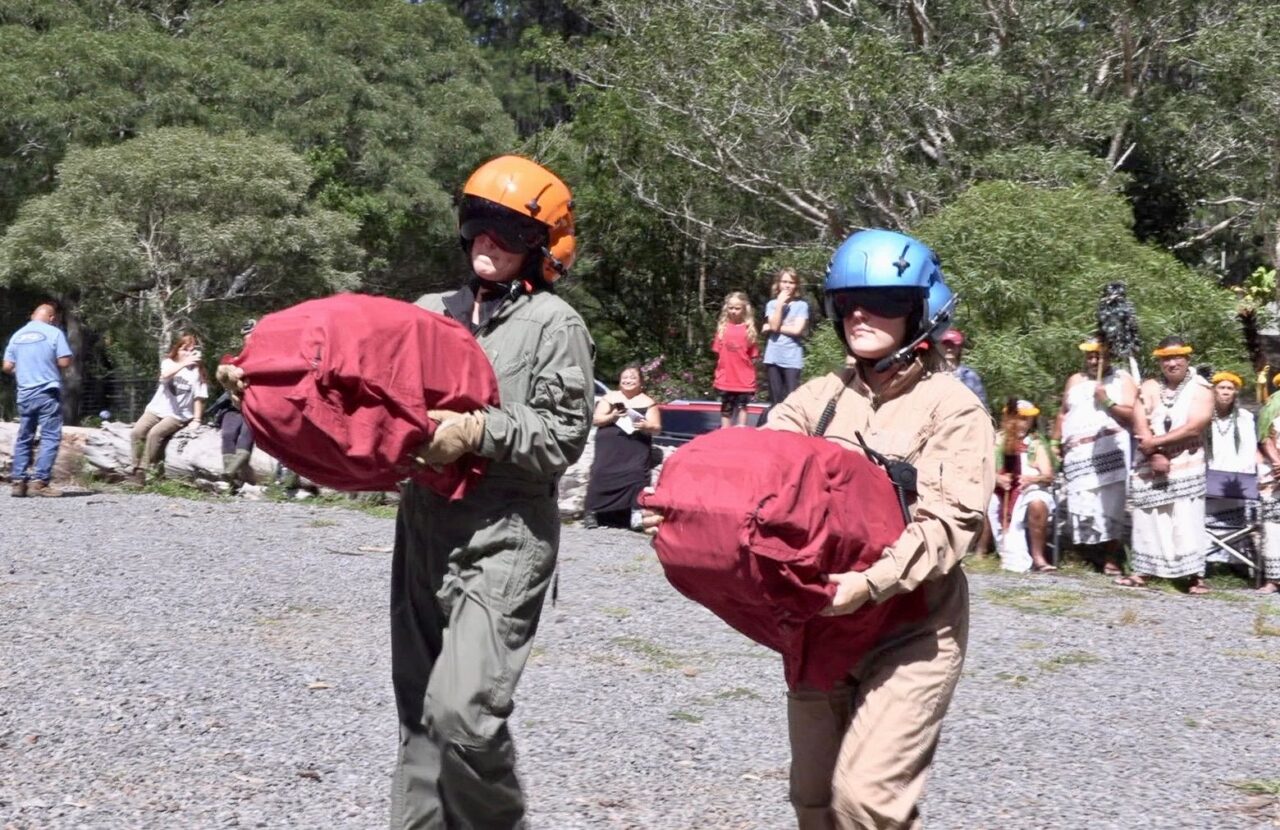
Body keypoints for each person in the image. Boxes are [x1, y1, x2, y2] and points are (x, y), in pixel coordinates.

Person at [646, 229, 994, 829]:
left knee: (866, 803)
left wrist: (861, 586)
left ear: (920, 309)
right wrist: (684, 505)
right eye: (849, 301)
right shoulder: (821, 397)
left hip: (912, 626)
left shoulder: (954, 409)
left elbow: (947, 527)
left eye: (882, 300)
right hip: (822, 625)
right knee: (813, 803)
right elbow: (754, 469)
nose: (861, 313)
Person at [392, 155, 594, 828]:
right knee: (421, 720)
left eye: (509, 230)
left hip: (506, 533)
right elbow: (362, 386)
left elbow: (563, 437)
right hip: (423, 528)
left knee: (463, 718)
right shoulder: (426, 314)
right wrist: (269, 379)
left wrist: (479, 431)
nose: (489, 239)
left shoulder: (554, 325)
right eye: (479, 222)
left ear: (541, 248)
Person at [1116, 335, 1214, 594]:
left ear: (1187, 358)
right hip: (1150, 463)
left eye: (1176, 357)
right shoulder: (1148, 386)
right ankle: (1142, 571)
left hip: (1186, 461)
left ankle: (1194, 576)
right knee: (1149, 516)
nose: (1171, 363)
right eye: (1166, 359)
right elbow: (1139, 420)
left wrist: (1156, 442)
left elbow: (1195, 427)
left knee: (1186, 517)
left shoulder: (1202, 388)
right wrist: (1153, 453)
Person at [1054, 337, 1137, 575]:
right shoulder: (1075, 380)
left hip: (1110, 451)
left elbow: (1132, 414)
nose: (1093, 360)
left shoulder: (1123, 379)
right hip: (1078, 454)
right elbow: (1062, 413)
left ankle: (1111, 557)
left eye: (1098, 356)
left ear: (1109, 356)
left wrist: (1106, 400)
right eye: (1090, 356)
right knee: (1081, 504)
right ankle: (1084, 554)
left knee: (1110, 505)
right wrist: (1054, 441)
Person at [3, 303, 73, 497]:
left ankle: (18, 481)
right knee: (50, 436)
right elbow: (64, 361)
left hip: (24, 394)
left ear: (33, 316)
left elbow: (8, 366)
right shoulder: (54, 333)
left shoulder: (17, 335)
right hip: (47, 392)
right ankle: (40, 482)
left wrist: (24, 371)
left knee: (24, 436)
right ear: (52, 318)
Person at [583, 362, 662, 530]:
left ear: (640, 381)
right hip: (609, 448)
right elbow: (597, 420)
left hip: (635, 448)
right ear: (620, 381)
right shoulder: (609, 398)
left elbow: (656, 427)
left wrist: (645, 426)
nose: (628, 380)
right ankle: (591, 513)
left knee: (636, 475)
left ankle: (635, 513)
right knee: (599, 474)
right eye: (625, 377)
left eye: (633, 377)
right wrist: (612, 416)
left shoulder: (649, 402)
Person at [130, 333, 208, 486]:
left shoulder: (198, 373)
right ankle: (134, 467)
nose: (188, 353)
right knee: (136, 433)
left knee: (154, 434)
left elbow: (199, 397)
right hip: (156, 409)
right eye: (185, 349)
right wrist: (184, 363)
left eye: (192, 350)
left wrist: (197, 419)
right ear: (177, 349)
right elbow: (165, 375)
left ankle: (142, 472)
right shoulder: (168, 363)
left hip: (178, 415)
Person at [989, 399, 1058, 573]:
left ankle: (1038, 557)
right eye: (1019, 418)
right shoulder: (998, 440)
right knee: (988, 502)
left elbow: (1049, 476)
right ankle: (985, 550)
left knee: (1037, 501)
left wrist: (1031, 480)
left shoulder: (1036, 443)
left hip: (1029, 489)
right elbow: (982, 469)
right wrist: (997, 478)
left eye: (1026, 419)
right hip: (1001, 490)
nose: (1022, 422)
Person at [1203, 371, 1259, 565]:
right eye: (1222, 388)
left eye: (1230, 388)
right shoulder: (1204, 415)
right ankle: (1207, 558)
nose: (1226, 392)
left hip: (1236, 478)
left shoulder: (1245, 417)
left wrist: (1246, 472)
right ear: (1214, 391)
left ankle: (1234, 561)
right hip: (1210, 473)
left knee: (1233, 517)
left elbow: (1249, 448)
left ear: (1235, 393)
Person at [214, 319, 258, 491]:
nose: (248, 338)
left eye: (252, 334)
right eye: (246, 335)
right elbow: (224, 373)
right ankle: (231, 481)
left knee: (245, 437)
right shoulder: (235, 359)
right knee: (228, 434)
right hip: (233, 404)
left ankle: (227, 475)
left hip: (255, 407)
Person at [761, 268, 809, 410]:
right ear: (778, 284)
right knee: (776, 399)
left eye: (791, 282)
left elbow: (796, 330)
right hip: (773, 356)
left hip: (792, 358)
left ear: (796, 285)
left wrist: (770, 327)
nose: (787, 285)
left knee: (792, 398)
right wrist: (780, 304)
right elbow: (775, 324)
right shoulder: (771, 304)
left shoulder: (802, 305)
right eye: (784, 282)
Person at [712, 290, 759, 428]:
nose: (733, 311)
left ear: (744, 309)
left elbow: (753, 356)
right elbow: (718, 353)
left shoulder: (749, 330)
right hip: (726, 378)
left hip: (743, 379)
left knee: (742, 406)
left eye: (737, 308)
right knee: (726, 408)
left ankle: (741, 432)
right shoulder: (722, 329)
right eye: (731, 308)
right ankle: (724, 434)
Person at [939, 328, 988, 410]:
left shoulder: (970, 376)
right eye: (946, 344)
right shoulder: (934, 375)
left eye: (953, 345)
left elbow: (982, 405)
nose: (949, 348)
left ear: (959, 348)